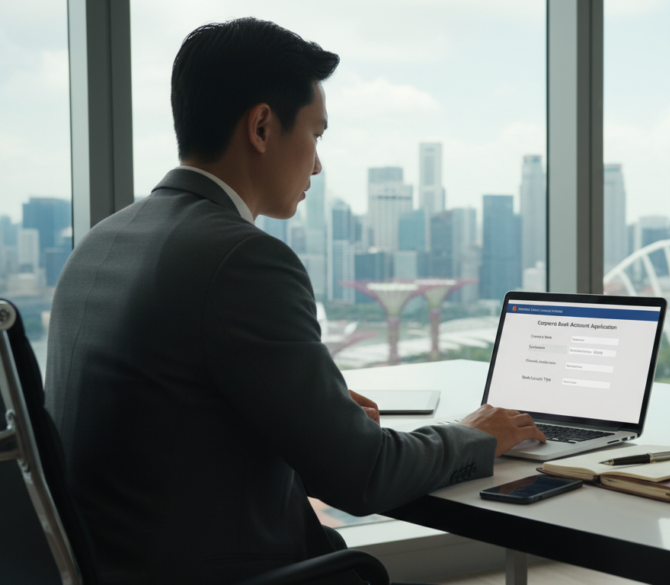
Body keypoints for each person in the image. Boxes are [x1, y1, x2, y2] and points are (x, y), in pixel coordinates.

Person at [44, 17, 545, 585]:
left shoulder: (101, 242)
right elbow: (364, 477)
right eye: (316, 133)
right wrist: (477, 432)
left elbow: (164, 431)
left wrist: (303, 419)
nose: (317, 163)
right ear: (261, 126)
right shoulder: (243, 260)